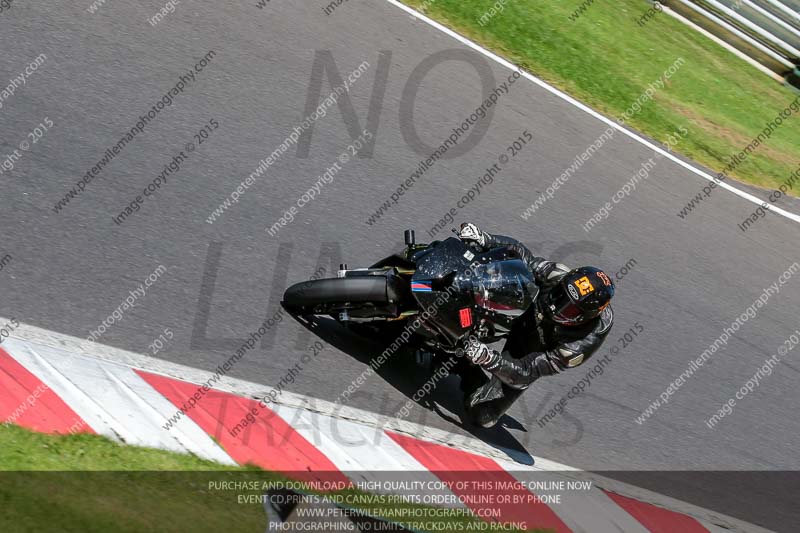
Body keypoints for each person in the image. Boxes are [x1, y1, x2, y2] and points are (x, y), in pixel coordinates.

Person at [454, 223, 615, 428]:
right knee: (492, 276)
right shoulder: (557, 274)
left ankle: (464, 365)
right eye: (560, 295)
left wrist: (487, 358)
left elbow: (526, 372)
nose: (557, 307)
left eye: (569, 310)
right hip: (523, 311)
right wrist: (486, 239)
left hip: (531, 349)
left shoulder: (579, 345)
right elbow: (522, 256)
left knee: (482, 415)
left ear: (585, 317)